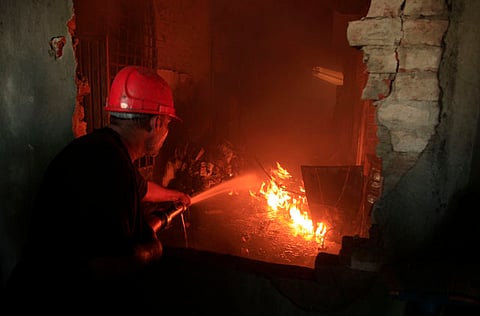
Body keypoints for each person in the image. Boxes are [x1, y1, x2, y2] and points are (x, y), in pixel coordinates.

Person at [4, 66, 191, 312]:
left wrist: (176, 196)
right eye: (167, 124)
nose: (166, 132)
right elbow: (110, 265)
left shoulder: (101, 148)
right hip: (51, 300)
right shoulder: (110, 167)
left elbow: (142, 189)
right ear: (156, 123)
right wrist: (152, 250)